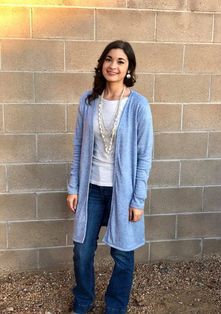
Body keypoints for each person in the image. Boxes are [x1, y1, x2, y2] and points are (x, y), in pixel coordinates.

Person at [67, 40, 153, 314]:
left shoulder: (138, 105)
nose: (112, 65)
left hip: (122, 192)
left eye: (120, 61)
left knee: (123, 255)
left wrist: (138, 199)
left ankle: (115, 306)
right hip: (91, 188)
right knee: (82, 251)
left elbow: (144, 156)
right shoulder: (88, 100)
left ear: (129, 69)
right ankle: (83, 299)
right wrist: (73, 187)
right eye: (108, 59)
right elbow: (79, 146)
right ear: (101, 63)